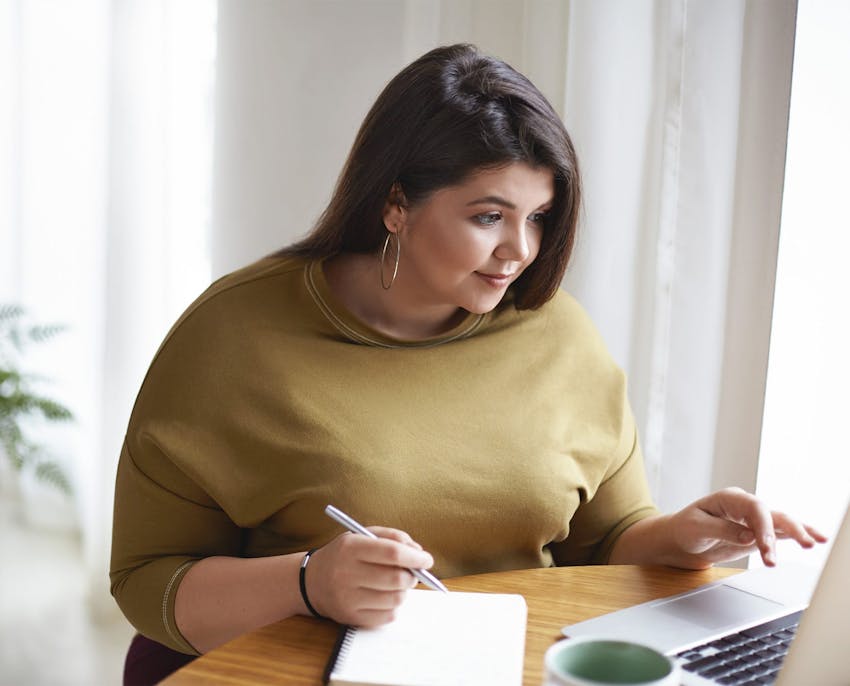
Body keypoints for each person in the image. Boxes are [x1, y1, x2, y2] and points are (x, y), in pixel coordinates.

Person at [109, 43, 824, 680]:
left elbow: (605, 541)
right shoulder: (231, 336)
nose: (521, 250)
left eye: (539, 217)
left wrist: (687, 534)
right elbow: (147, 581)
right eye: (489, 216)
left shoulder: (559, 335)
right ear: (396, 205)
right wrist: (308, 583)